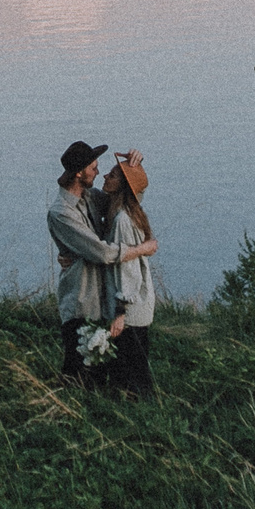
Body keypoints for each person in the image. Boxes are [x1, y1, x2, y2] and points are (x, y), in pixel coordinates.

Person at [48, 138, 155, 384]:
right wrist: (141, 248)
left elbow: (128, 199)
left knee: (103, 372)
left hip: (102, 302)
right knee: (78, 373)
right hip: (81, 301)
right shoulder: (61, 212)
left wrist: (134, 168)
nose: (99, 172)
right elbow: (102, 253)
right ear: (78, 173)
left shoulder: (90, 197)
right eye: (94, 168)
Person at [98, 150, 158, 397]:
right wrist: (137, 163)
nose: (105, 176)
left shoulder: (122, 220)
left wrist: (120, 311)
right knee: (136, 368)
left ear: (121, 186)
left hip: (130, 307)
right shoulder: (128, 211)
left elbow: (127, 268)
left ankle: (142, 418)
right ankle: (143, 416)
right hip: (139, 303)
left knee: (132, 374)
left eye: (112, 175)